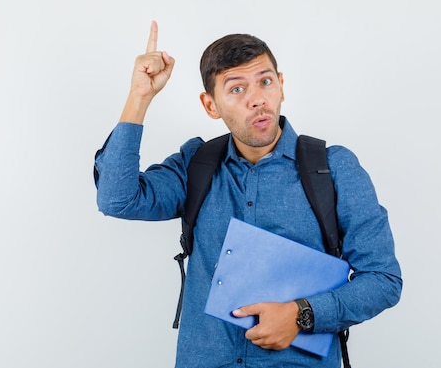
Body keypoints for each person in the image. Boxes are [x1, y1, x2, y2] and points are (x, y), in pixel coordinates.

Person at [94, 21, 402, 368]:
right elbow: (116, 198)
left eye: (265, 82)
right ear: (211, 106)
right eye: (237, 89)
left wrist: (302, 314)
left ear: (281, 86)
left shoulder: (334, 168)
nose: (257, 99)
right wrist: (139, 98)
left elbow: (383, 279)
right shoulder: (195, 165)